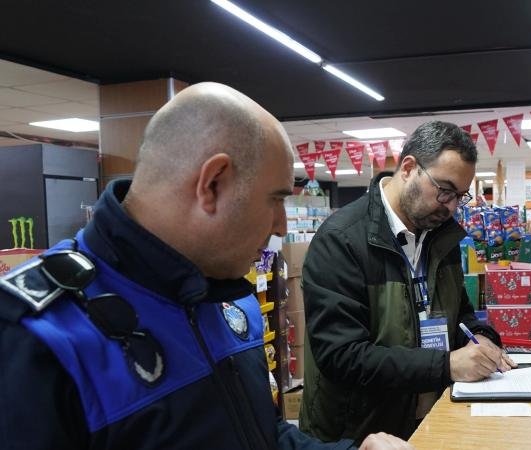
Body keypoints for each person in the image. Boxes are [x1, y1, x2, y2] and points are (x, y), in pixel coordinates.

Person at [0, 82, 410, 450]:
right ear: (212, 184)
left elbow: (259, 437)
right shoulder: (36, 340)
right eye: (276, 199)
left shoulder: (230, 299)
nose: (282, 226)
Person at [299, 120, 515, 444]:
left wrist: (482, 338)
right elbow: (342, 355)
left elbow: (461, 314)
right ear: (409, 168)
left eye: (460, 196)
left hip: (431, 421)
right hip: (358, 435)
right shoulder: (341, 242)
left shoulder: (441, 236)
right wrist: (446, 365)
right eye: (444, 190)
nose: (452, 207)